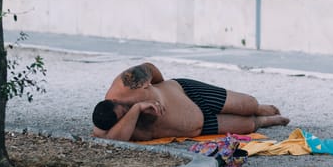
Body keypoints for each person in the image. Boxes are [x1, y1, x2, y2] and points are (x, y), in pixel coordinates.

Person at [92, 62, 289, 141]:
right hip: (198, 127)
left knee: (248, 104)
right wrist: (136, 110)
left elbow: (149, 68)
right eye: (122, 118)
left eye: (124, 110)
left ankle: (260, 109)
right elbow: (113, 142)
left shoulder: (127, 82)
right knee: (247, 126)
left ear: (114, 100)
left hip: (186, 93)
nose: (125, 115)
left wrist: (162, 86)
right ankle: (263, 121)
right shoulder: (107, 125)